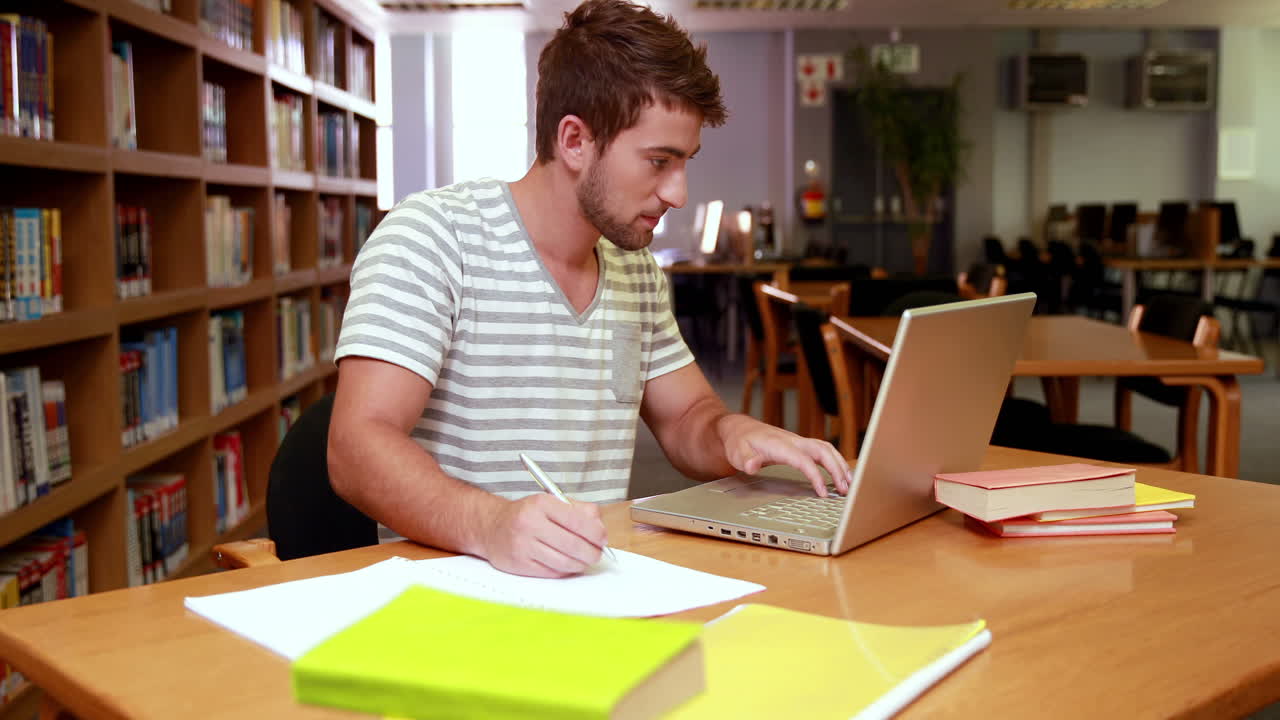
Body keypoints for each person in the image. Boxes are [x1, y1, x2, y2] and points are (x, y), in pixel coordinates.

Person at [328, 0, 850, 579]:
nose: (678, 193)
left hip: (590, 587)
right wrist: (491, 525)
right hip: (452, 595)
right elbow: (356, 446)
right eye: (658, 161)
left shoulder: (635, 269)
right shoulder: (432, 237)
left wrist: (735, 433)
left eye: (686, 162)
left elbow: (685, 420)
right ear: (575, 140)